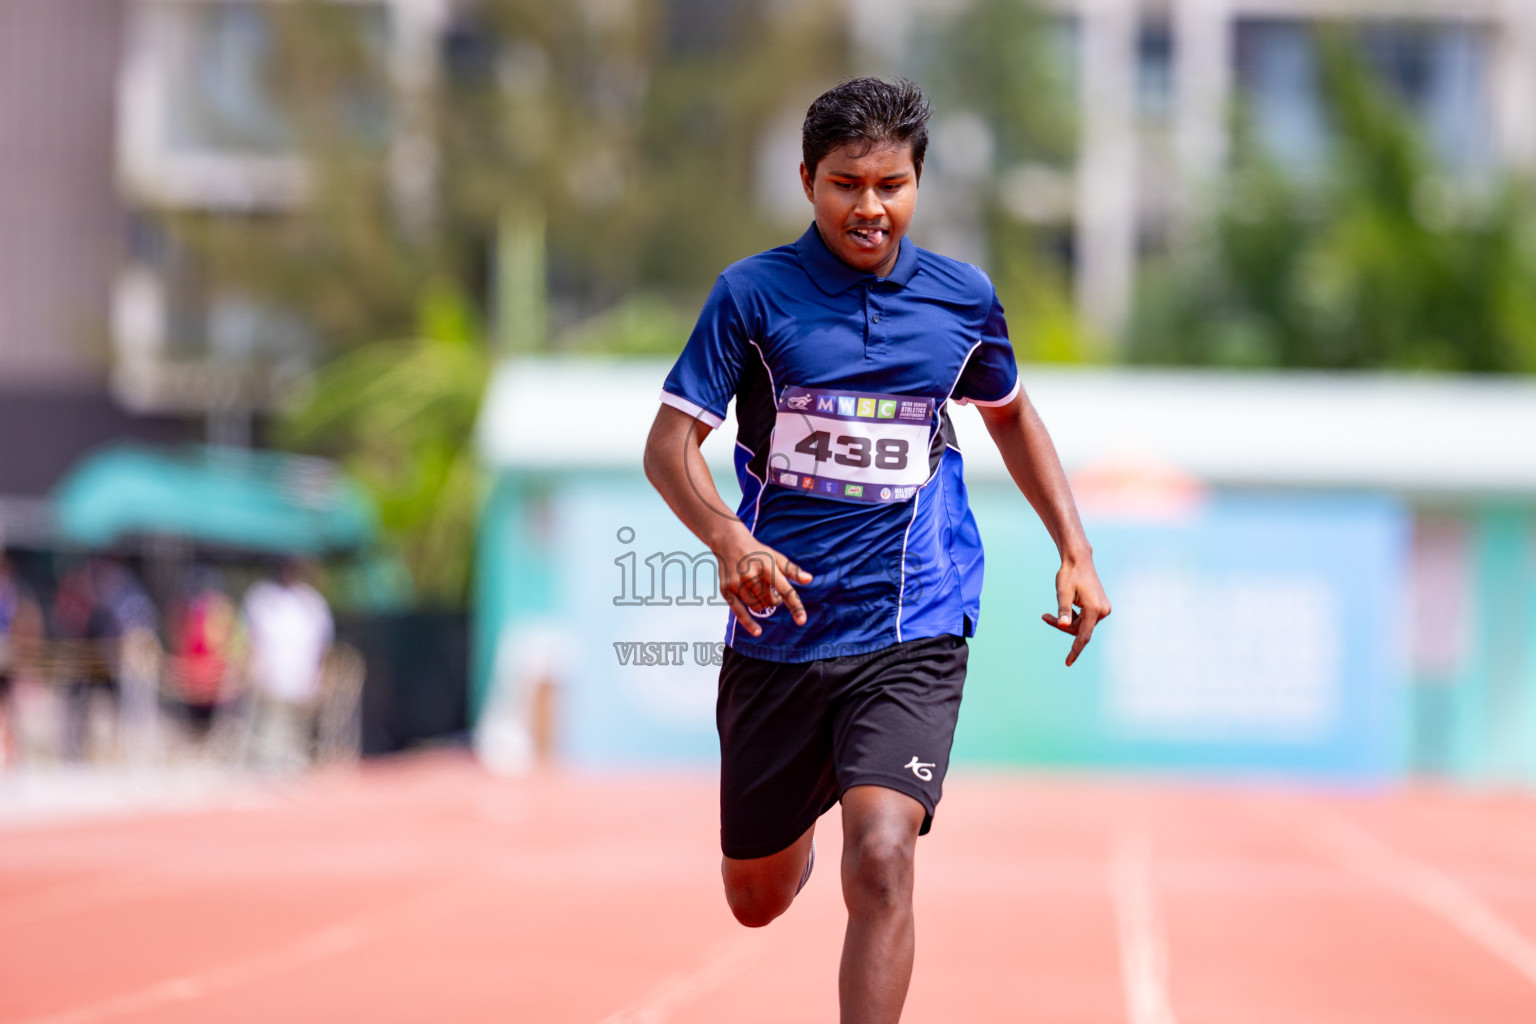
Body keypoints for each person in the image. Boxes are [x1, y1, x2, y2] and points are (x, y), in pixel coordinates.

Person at [642, 78, 1111, 1023]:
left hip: (915, 620)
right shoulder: (753, 296)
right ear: (809, 180)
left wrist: (1075, 546)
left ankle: (860, 819)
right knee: (756, 899)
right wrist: (731, 540)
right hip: (783, 628)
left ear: (918, 183)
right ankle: (807, 812)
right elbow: (667, 448)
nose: (870, 207)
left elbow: (1011, 417)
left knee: (888, 855)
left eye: (891, 185)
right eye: (847, 184)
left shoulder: (961, 300)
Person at [240, 559, 333, 771]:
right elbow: (250, 639)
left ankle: (290, 773)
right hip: (269, 679)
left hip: (303, 680)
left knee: (296, 737)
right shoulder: (261, 597)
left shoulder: (312, 602)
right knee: (267, 735)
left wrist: (322, 676)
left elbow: (323, 644)